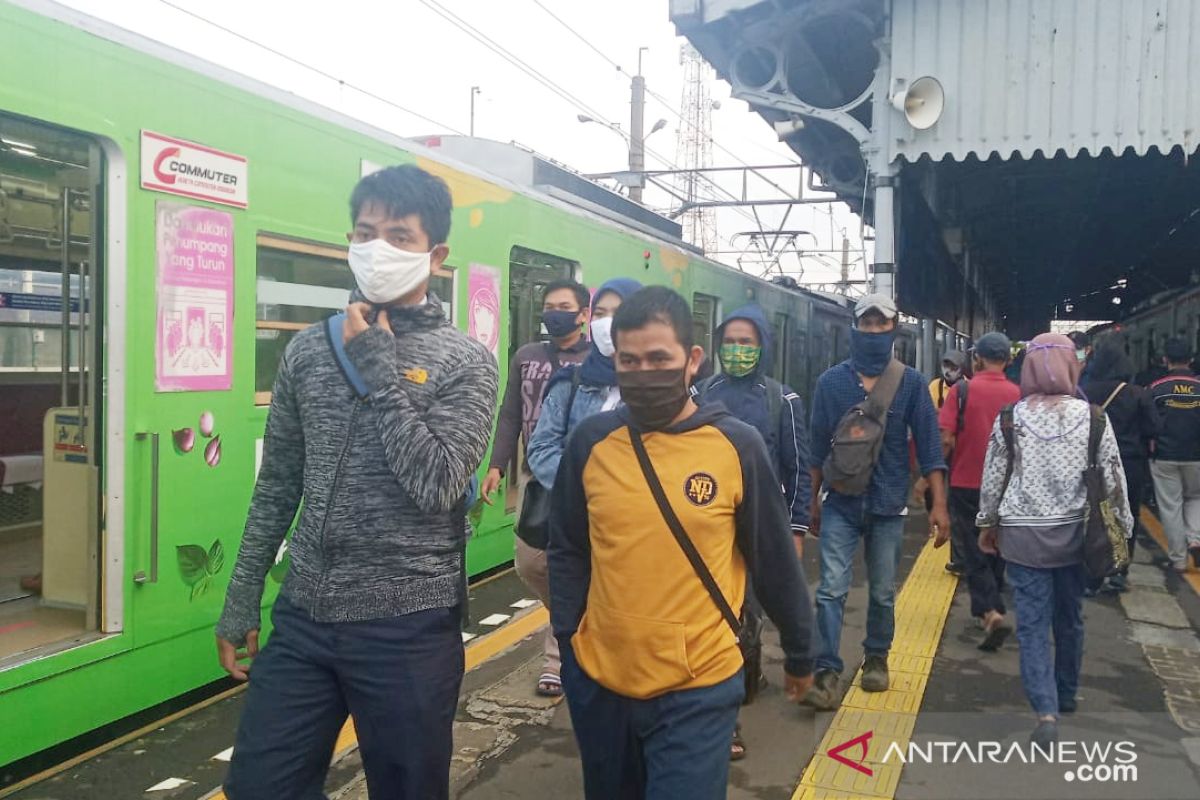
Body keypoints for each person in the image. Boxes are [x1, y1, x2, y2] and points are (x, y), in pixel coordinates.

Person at [215, 165, 499, 800]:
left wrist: (378, 367)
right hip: (305, 615)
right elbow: (278, 483)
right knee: (260, 786)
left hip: (407, 624)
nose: (380, 249)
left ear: (436, 253)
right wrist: (242, 597)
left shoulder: (467, 363)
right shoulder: (309, 351)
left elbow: (439, 484)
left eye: (400, 236)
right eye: (367, 232)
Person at [548, 286, 814, 800]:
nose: (643, 373)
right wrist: (569, 640)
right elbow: (568, 548)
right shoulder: (591, 443)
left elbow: (774, 559)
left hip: (699, 688)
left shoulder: (737, 446)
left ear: (692, 360)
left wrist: (802, 653)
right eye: (629, 360)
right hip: (602, 683)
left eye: (658, 358)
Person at [977, 333, 1132, 745]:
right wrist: (1125, 528)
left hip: (1022, 537)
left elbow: (994, 478)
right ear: (1071, 366)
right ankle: (1066, 692)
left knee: (1031, 625)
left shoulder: (1011, 417)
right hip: (1077, 538)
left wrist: (986, 524)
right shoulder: (1094, 417)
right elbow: (1114, 480)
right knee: (1070, 617)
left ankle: (1045, 712)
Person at [804, 293, 949, 710]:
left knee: (884, 591)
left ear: (893, 329)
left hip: (888, 503)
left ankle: (876, 658)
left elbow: (930, 448)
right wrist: (810, 502)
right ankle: (826, 670)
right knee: (831, 590)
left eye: (879, 324)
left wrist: (939, 505)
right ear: (855, 328)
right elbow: (816, 448)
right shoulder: (831, 383)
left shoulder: (913, 384)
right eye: (865, 324)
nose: (872, 331)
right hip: (840, 502)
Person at [693, 303, 812, 761]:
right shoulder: (702, 391)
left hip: (762, 527)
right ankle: (730, 722)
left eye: (747, 343)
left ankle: (745, 679)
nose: (737, 350)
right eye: (731, 342)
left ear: (763, 346)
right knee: (726, 617)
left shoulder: (782, 400)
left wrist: (796, 530)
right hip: (712, 525)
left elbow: (799, 469)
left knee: (749, 617)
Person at [523, 277, 641, 696]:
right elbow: (542, 446)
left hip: (631, 532)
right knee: (545, 573)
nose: (608, 324)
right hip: (574, 520)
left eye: (620, 313)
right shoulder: (569, 383)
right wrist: (584, 488)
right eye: (602, 314)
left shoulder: (662, 388)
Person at [479, 279, 591, 696]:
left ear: (583, 314)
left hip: (580, 476)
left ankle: (556, 659)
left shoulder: (596, 360)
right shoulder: (527, 357)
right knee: (531, 564)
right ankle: (575, 620)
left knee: (571, 561)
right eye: (548, 305)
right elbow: (510, 415)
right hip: (533, 475)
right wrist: (496, 466)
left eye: (564, 305)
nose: (553, 312)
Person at [938, 333, 1020, 650]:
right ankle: (986, 610)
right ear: (1009, 361)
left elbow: (945, 439)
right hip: (1006, 486)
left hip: (966, 482)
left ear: (977, 359)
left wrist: (928, 478)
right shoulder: (1019, 394)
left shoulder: (962, 390)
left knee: (972, 550)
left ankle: (990, 610)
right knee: (998, 545)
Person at [1083, 338, 1158, 591]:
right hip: (1130, 464)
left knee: (1094, 514)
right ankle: (1119, 571)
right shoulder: (1139, 394)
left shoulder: (1084, 392)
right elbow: (1153, 428)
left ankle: (1092, 575)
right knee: (1128, 516)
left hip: (1093, 464)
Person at [1149, 338, 1200, 572]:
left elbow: (1149, 423)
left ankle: (1178, 559)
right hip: (1197, 456)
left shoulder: (1157, 389)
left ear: (1165, 360)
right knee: (1196, 498)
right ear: (1190, 360)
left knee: (1171, 506)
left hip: (1165, 456)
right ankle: (1195, 539)